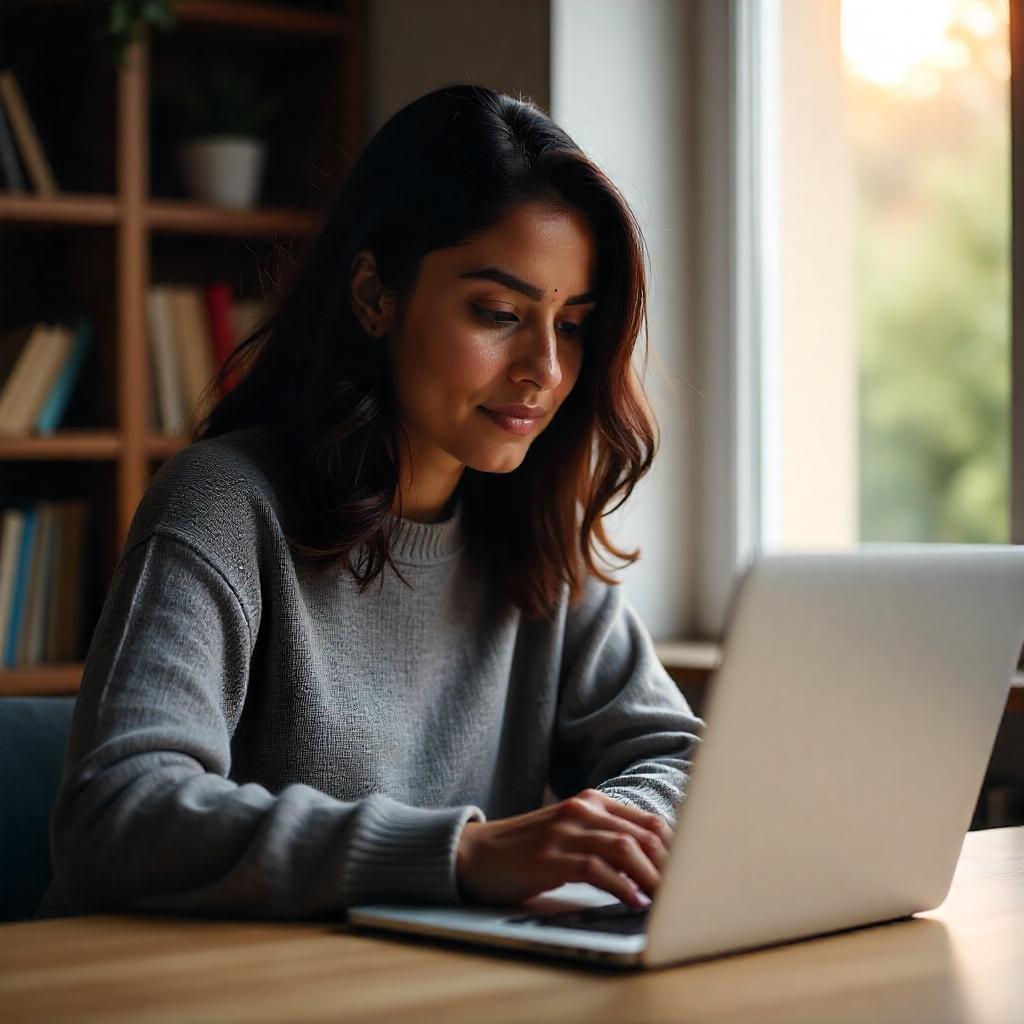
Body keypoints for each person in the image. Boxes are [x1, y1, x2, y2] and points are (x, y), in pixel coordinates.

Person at [35, 85, 704, 921]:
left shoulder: (536, 530)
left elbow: (679, 758)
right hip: (172, 980)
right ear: (373, 297)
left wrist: (613, 834)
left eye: (570, 325)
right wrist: (461, 853)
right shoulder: (223, 505)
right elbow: (117, 813)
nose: (544, 368)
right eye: (498, 312)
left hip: (406, 976)